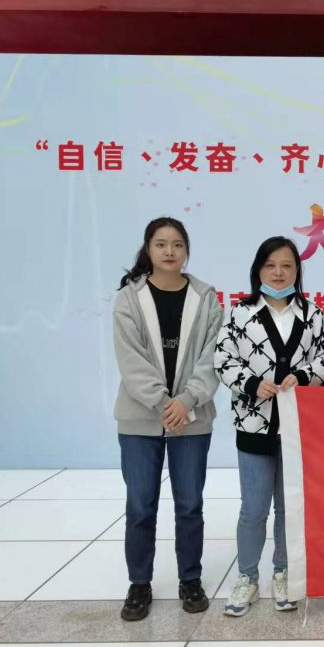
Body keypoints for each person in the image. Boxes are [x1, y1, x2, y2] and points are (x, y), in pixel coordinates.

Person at [214, 236, 324, 617]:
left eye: (286, 265)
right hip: (254, 424)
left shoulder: (313, 314)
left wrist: (305, 375)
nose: (279, 273)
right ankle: (247, 576)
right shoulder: (240, 313)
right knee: (253, 508)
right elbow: (223, 359)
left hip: (299, 427)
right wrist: (252, 383)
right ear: (258, 271)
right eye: (270, 265)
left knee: (288, 506)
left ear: (298, 270)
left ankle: (284, 572)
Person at [112, 216, 223, 622]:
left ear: (187, 250)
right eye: (161, 244)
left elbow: (213, 355)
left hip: (192, 418)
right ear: (148, 249)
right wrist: (164, 404)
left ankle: (189, 579)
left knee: (190, 504)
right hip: (140, 418)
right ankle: (139, 583)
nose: (170, 251)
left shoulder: (206, 297)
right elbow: (131, 360)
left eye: (177, 244)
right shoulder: (129, 298)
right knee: (141, 505)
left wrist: (187, 400)